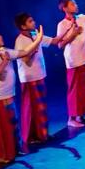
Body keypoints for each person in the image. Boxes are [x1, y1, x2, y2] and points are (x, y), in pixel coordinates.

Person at [0, 26, 45, 166]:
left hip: (9, 95)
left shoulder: (4, 51)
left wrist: (38, 39)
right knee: (0, 128)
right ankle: (2, 156)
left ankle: (15, 150)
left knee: (13, 125)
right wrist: (5, 60)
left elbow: (25, 52)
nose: (1, 37)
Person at [54, 0, 85, 129]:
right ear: (65, 8)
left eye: (75, 3)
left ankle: (81, 115)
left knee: (84, 89)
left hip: (84, 59)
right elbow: (60, 45)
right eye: (72, 4)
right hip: (73, 61)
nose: (76, 5)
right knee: (74, 90)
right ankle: (71, 118)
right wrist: (73, 34)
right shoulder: (62, 24)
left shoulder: (81, 18)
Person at [12, 13, 55, 147]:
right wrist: (36, 44)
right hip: (29, 78)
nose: (34, 22)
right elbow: (25, 59)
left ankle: (42, 134)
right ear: (23, 26)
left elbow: (54, 41)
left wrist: (70, 31)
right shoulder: (20, 40)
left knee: (41, 107)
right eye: (30, 21)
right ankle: (30, 137)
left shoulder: (35, 34)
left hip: (39, 75)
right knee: (31, 108)